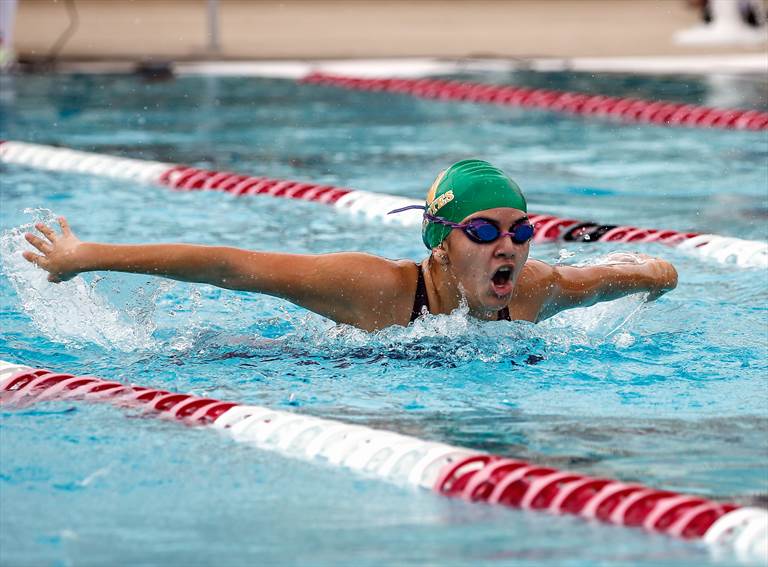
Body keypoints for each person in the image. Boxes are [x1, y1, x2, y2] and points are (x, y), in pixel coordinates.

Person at [22, 160, 678, 332]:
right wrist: (87, 255)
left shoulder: (535, 292)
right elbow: (230, 265)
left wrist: (654, 269)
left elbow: (638, 271)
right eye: (483, 229)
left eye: (520, 229)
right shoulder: (376, 289)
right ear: (442, 245)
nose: (507, 244)